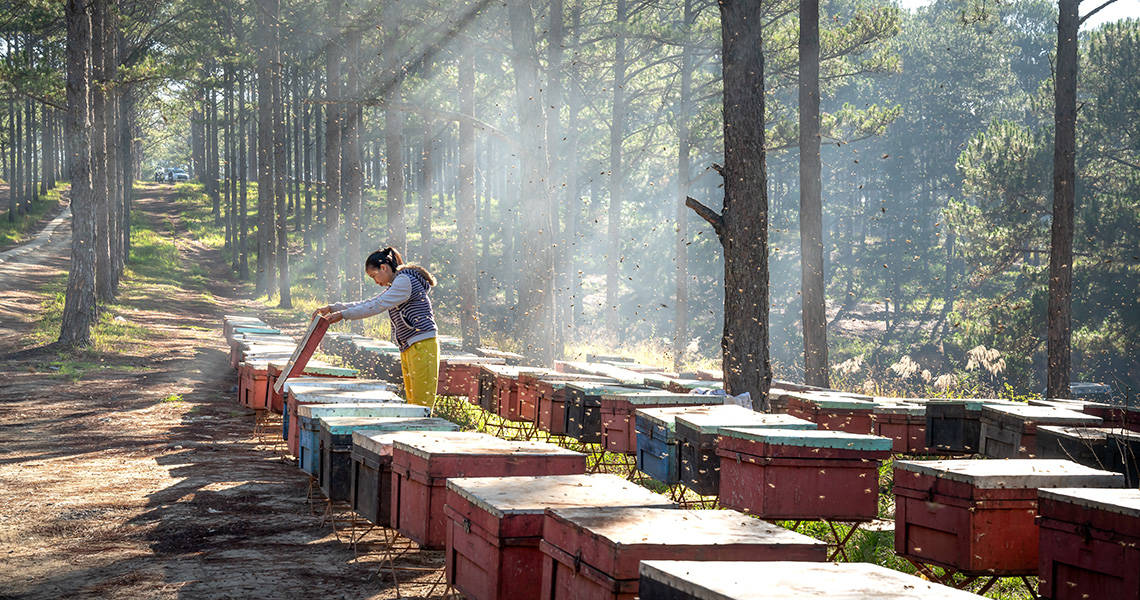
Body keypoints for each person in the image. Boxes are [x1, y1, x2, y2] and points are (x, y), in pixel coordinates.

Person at [314, 247, 440, 407]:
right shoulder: (397, 284)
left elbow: (376, 305)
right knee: (413, 403)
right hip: (410, 345)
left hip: (422, 345)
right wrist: (334, 308)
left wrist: (343, 315)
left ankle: (423, 430)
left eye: (374, 276)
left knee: (421, 404)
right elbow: (369, 303)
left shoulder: (404, 281)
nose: (375, 281)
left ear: (384, 267)